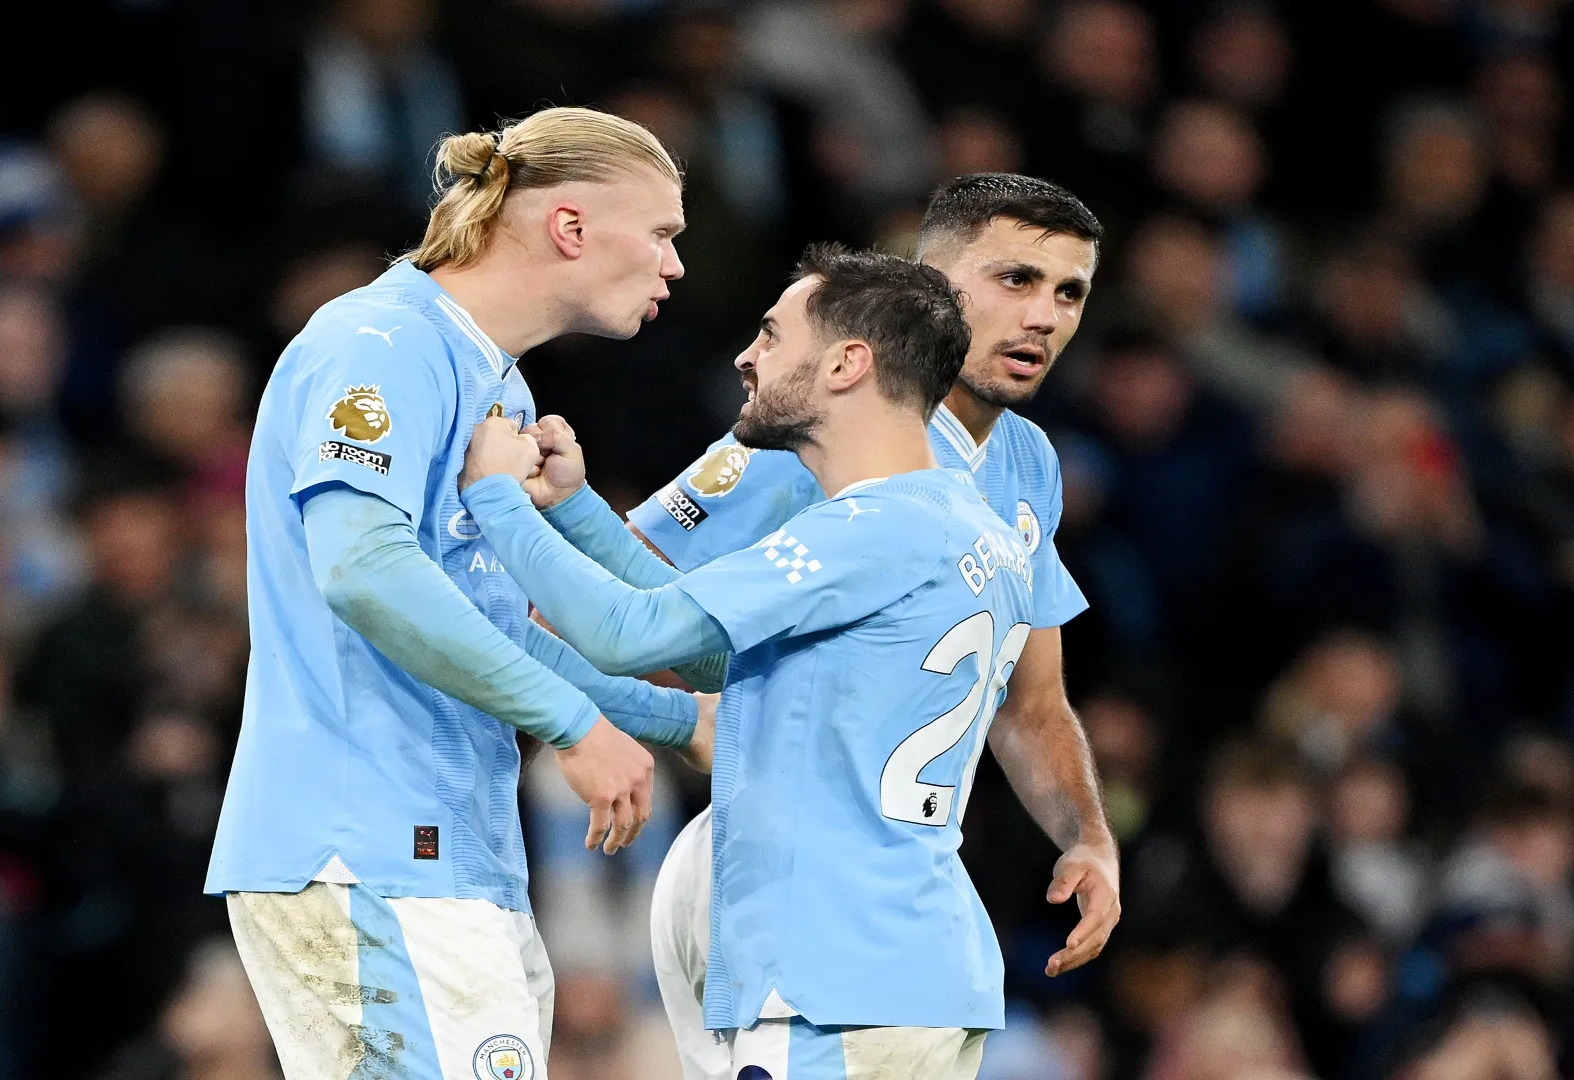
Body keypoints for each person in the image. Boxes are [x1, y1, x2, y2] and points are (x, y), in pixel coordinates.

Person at [457, 244, 1070, 1080]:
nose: (748, 355)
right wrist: (575, 513)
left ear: (848, 364)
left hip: (833, 975)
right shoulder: (962, 522)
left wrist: (494, 495)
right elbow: (711, 652)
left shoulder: (868, 531)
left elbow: (630, 634)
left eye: (774, 336)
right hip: (909, 968)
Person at [204, 106, 711, 1080]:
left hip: (453, 850)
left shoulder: (499, 390)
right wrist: (570, 722)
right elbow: (362, 568)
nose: (674, 266)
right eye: (662, 234)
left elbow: (484, 623)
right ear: (569, 227)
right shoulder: (381, 342)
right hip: (360, 846)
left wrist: (664, 716)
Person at [624, 174, 1120, 1079]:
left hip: (895, 905)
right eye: (1016, 280)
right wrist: (659, 723)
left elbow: (1028, 701)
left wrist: (1087, 835)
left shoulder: (1027, 463)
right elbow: (617, 600)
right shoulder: (807, 434)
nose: (1045, 316)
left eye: (1069, 293)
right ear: (930, 285)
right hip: (772, 875)